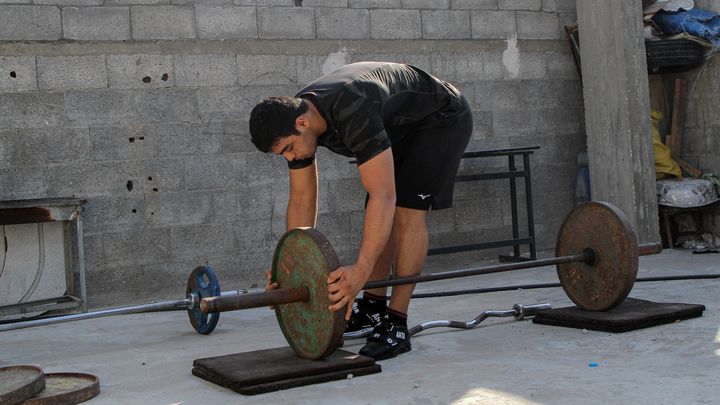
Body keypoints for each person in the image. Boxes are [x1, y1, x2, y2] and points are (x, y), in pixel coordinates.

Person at [249, 62, 473, 360]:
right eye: (284, 155)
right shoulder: (297, 117)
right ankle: (372, 309)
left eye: (289, 149)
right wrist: (290, 267)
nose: (290, 157)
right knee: (378, 213)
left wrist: (361, 270)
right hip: (398, 125)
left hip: (441, 118)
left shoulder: (352, 106)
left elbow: (385, 195)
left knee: (406, 210)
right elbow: (302, 197)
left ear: (302, 123)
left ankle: (395, 321)